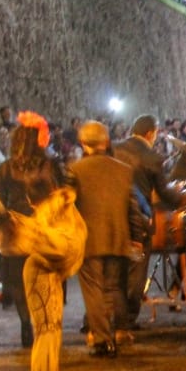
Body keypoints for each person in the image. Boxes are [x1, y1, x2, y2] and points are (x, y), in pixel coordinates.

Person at [0, 115, 86, 371]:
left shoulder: (6, 169)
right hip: (43, 250)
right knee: (49, 331)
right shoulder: (49, 167)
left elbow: (2, 203)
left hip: (17, 250)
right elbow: (60, 206)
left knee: (38, 329)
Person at [68, 120, 148, 357]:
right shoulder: (122, 170)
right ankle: (122, 330)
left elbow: (68, 206)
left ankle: (102, 338)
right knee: (116, 286)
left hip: (88, 238)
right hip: (117, 236)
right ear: (106, 142)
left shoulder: (75, 171)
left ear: (83, 143)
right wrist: (137, 236)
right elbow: (132, 207)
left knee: (94, 289)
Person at [114, 114, 186, 326]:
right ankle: (126, 319)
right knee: (136, 271)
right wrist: (181, 200)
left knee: (113, 270)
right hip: (139, 219)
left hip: (114, 218)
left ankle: (99, 317)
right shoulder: (152, 157)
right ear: (150, 133)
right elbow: (163, 192)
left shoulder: (114, 148)